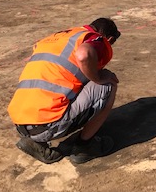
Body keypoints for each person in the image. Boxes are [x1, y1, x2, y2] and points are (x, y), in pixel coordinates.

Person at [7, 18, 121, 164]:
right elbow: (84, 54)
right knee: (108, 84)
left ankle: (35, 142)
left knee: (75, 80)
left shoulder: (59, 37)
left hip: (21, 123)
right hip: (47, 125)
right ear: (109, 39)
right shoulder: (95, 39)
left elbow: (36, 48)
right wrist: (99, 78)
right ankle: (84, 147)